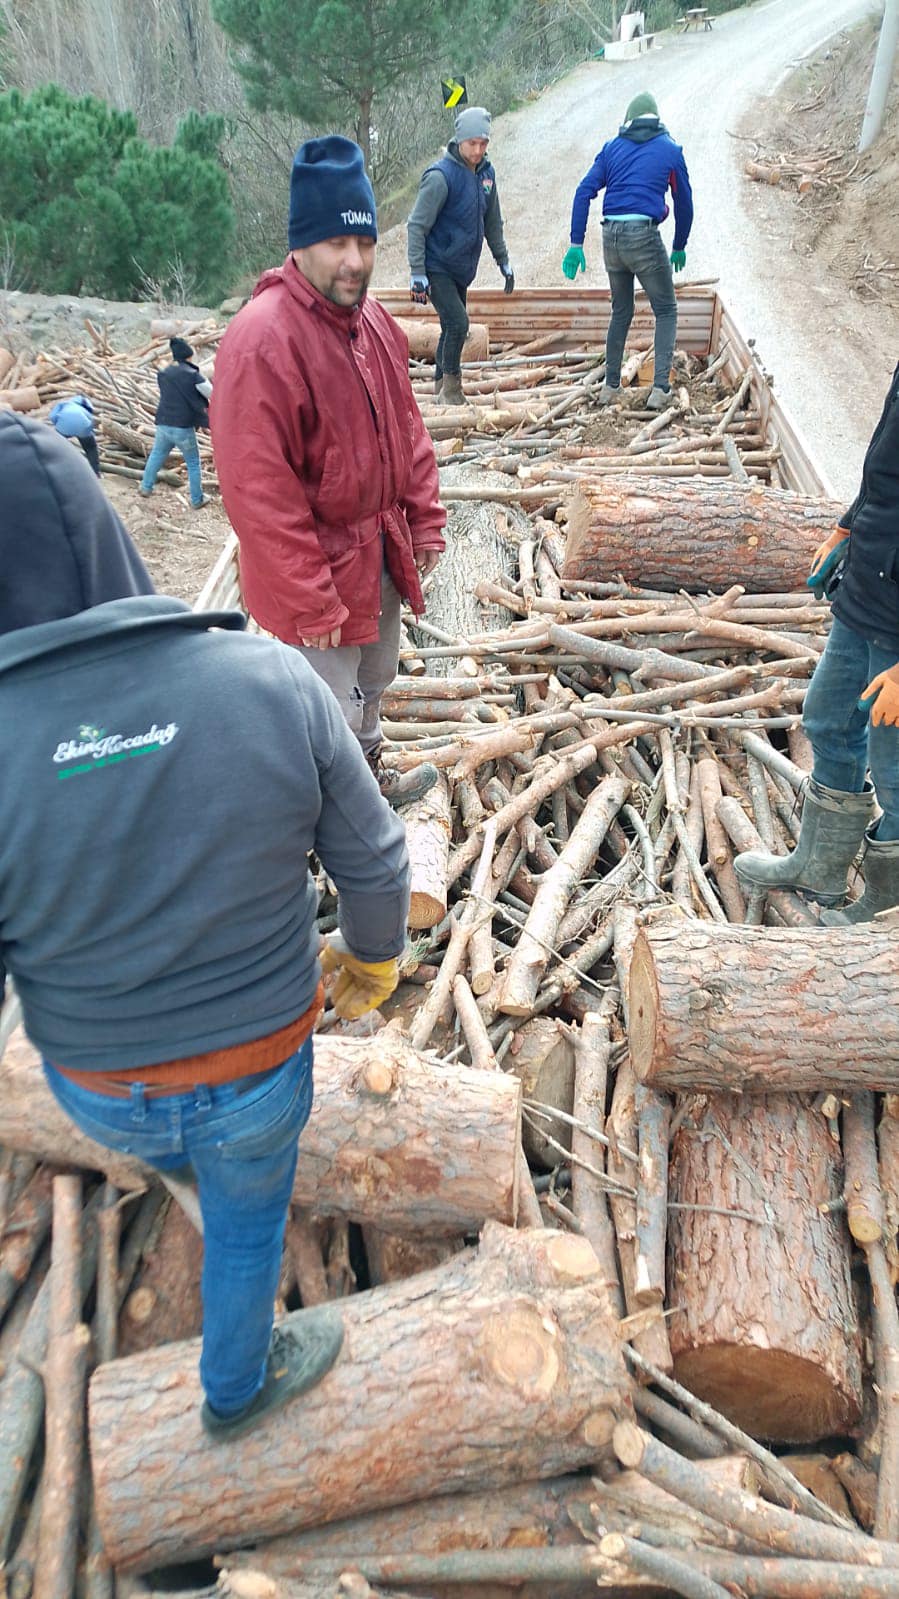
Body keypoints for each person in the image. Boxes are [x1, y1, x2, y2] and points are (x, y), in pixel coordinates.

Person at [0, 412, 411, 1438]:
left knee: (182, 1148)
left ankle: (179, 1165)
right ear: (108, 538)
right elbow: (374, 859)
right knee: (245, 1219)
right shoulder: (265, 677)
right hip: (261, 1069)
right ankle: (235, 1390)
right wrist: (371, 961)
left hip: (96, 1091)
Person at [212, 135, 445, 810]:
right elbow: (258, 492)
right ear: (302, 243)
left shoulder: (373, 323)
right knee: (320, 717)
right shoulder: (262, 340)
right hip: (311, 572)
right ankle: (318, 839)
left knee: (374, 682)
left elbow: (407, 428)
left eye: (366, 243)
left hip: (372, 550)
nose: (355, 261)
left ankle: (366, 788)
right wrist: (308, 595)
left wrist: (423, 518)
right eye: (338, 245)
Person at [735, 361, 899, 924]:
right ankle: (821, 868)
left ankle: (884, 906)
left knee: (895, 767)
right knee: (828, 717)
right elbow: (887, 468)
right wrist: (848, 526)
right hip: (871, 587)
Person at [562, 91, 694, 412]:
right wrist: (679, 244)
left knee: (621, 310)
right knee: (666, 310)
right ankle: (660, 389)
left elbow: (583, 191)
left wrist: (576, 243)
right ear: (656, 119)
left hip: (611, 237)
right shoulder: (670, 150)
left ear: (628, 121)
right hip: (643, 236)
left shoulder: (611, 149)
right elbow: (684, 202)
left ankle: (610, 386)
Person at [407, 106, 515, 406]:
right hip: (437, 265)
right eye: (472, 144)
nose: (478, 150)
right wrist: (418, 272)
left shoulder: (486, 175)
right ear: (460, 141)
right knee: (458, 324)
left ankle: (441, 389)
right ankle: (452, 392)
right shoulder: (441, 177)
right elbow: (417, 225)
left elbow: (492, 221)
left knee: (449, 328)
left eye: (483, 143)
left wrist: (502, 259)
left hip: (461, 269)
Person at [140, 337, 209, 509]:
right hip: (182, 427)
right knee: (193, 462)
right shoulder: (193, 375)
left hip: (163, 423)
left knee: (157, 455)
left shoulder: (164, 373)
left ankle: (145, 487)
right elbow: (211, 393)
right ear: (188, 356)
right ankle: (197, 499)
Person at [49, 394, 101, 477]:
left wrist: (58, 424)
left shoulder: (65, 404)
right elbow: (90, 422)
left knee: (57, 447)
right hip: (83, 427)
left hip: (64, 427)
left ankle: (57, 470)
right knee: (91, 448)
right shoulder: (86, 409)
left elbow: (52, 416)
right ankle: (95, 472)